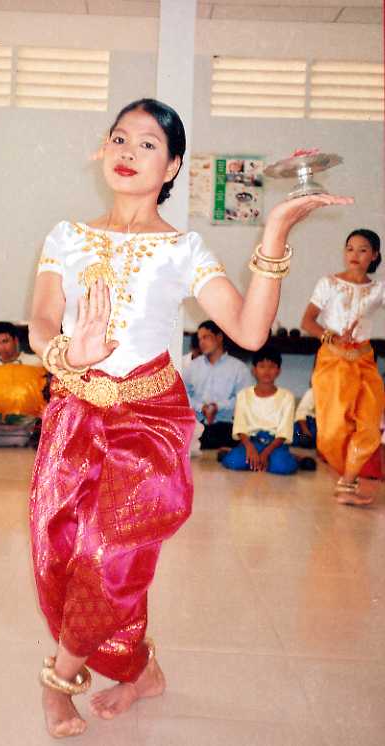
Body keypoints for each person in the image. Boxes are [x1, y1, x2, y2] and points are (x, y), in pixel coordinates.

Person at [28, 97, 351, 738]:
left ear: (173, 165)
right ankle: (140, 670)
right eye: (120, 138)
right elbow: (40, 318)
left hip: (149, 421)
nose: (127, 152)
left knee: (107, 552)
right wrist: (68, 349)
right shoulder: (66, 236)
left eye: (147, 144)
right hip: (73, 411)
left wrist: (275, 235)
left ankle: (60, 679)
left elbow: (251, 330)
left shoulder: (183, 249)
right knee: (62, 556)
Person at [301, 228, 384, 505]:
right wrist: (332, 337)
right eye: (350, 248)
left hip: (365, 360)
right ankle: (345, 476)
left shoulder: (379, 288)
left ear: (374, 255)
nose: (354, 255)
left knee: (370, 425)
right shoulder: (328, 283)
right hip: (333, 361)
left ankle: (347, 483)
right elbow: (308, 321)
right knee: (332, 430)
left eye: (362, 250)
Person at [221, 347, 298, 474]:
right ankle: (238, 455)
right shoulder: (243, 395)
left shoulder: (287, 397)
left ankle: (294, 459)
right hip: (251, 442)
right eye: (262, 366)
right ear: (254, 371)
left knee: (282, 466)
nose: (267, 371)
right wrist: (250, 448)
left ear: (278, 371)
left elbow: (284, 431)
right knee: (234, 462)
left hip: (275, 445)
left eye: (272, 366)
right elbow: (240, 427)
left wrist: (266, 453)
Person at [183, 320, 252, 451]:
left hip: (226, 426)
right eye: (199, 339)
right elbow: (183, 394)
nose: (201, 342)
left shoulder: (239, 368)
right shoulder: (192, 367)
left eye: (206, 337)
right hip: (198, 425)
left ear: (219, 337)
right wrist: (201, 407)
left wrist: (217, 406)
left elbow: (244, 399)